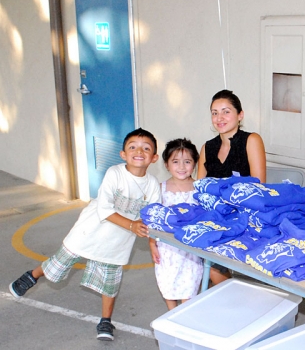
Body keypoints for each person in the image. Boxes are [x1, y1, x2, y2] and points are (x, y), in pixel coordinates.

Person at [9, 128, 161, 341]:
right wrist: (132, 225)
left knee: (110, 280)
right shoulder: (115, 173)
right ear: (123, 154)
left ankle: (105, 321)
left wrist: (151, 236)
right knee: (60, 262)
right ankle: (32, 276)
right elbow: (105, 210)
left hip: (118, 240)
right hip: (91, 230)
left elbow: (152, 214)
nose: (139, 151)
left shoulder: (153, 184)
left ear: (154, 157)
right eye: (133, 147)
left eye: (146, 148)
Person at [197, 89, 266, 285]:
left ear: (240, 115)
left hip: (246, 215)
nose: (219, 118)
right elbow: (200, 189)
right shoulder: (207, 147)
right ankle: (227, 293)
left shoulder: (251, 140)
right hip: (216, 215)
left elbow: (258, 187)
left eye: (226, 111)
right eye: (214, 112)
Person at [149, 138, 204, 310]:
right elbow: (153, 219)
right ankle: (171, 315)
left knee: (189, 288)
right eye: (175, 162)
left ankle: (184, 318)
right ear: (166, 164)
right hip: (167, 249)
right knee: (168, 285)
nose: (181, 167)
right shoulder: (159, 188)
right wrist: (152, 243)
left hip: (191, 250)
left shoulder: (199, 189)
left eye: (187, 161)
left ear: (195, 163)